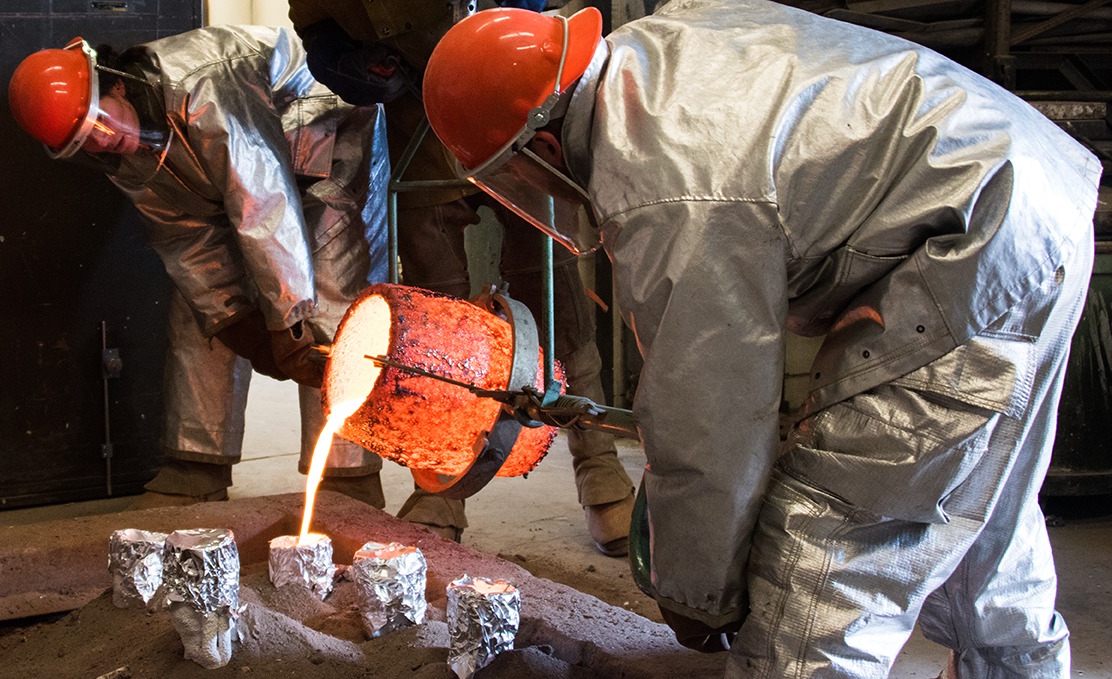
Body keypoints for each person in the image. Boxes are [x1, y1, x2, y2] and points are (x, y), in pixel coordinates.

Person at [420, 3, 1098, 677]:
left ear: (538, 145)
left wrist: (697, 592)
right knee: (983, 505)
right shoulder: (658, 48)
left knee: (824, 558)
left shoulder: (660, 182)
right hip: (1033, 193)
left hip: (966, 242)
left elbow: (709, 413)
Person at [287, 0, 637, 556]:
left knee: (553, 290)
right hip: (421, 126)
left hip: (513, 103)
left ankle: (599, 467)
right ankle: (443, 488)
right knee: (435, 325)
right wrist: (347, 64)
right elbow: (320, 33)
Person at [7, 26, 391, 510]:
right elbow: (185, 237)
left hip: (319, 121)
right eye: (88, 140)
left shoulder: (203, 84)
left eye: (102, 120)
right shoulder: (119, 153)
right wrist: (235, 320)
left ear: (117, 84)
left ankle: (348, 475)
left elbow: (261, 198)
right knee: (203, 306)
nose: (105, 140)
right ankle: (195, 466)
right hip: (245, 167)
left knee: (330, 288)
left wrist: (289, 324)